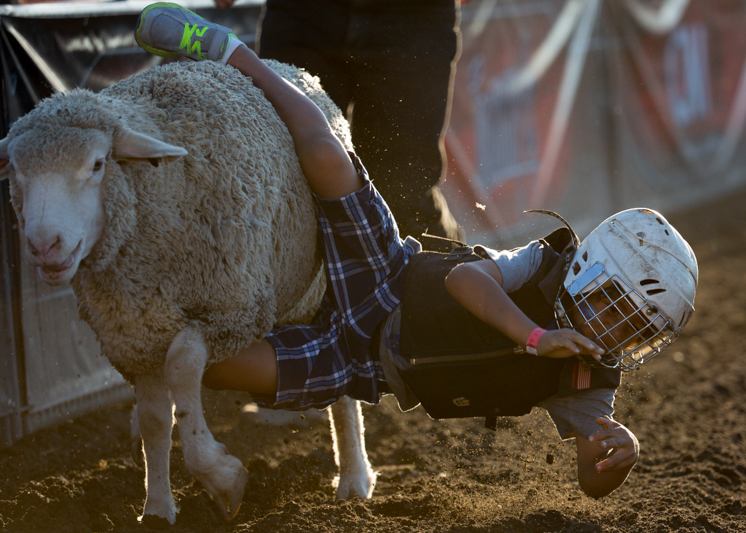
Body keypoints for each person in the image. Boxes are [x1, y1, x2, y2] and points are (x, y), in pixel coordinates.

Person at [134, 4, 699, 499]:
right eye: (619, 311)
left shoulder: (589, 378)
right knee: (329, 155)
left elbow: (590, 480)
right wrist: (535, 337)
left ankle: (148, 344)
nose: (619, 337)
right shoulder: (544, 265)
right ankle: (230, 53)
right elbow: (463, 281)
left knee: (213, 371)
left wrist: (618, 454)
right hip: (387, 272)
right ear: (591, 275)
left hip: (363, 365)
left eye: (638, 332)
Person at [218, 0, 464, 251]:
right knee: (290, 183)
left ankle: (458, 265)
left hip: (413, 21)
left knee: (403, 196)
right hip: (303, 16)